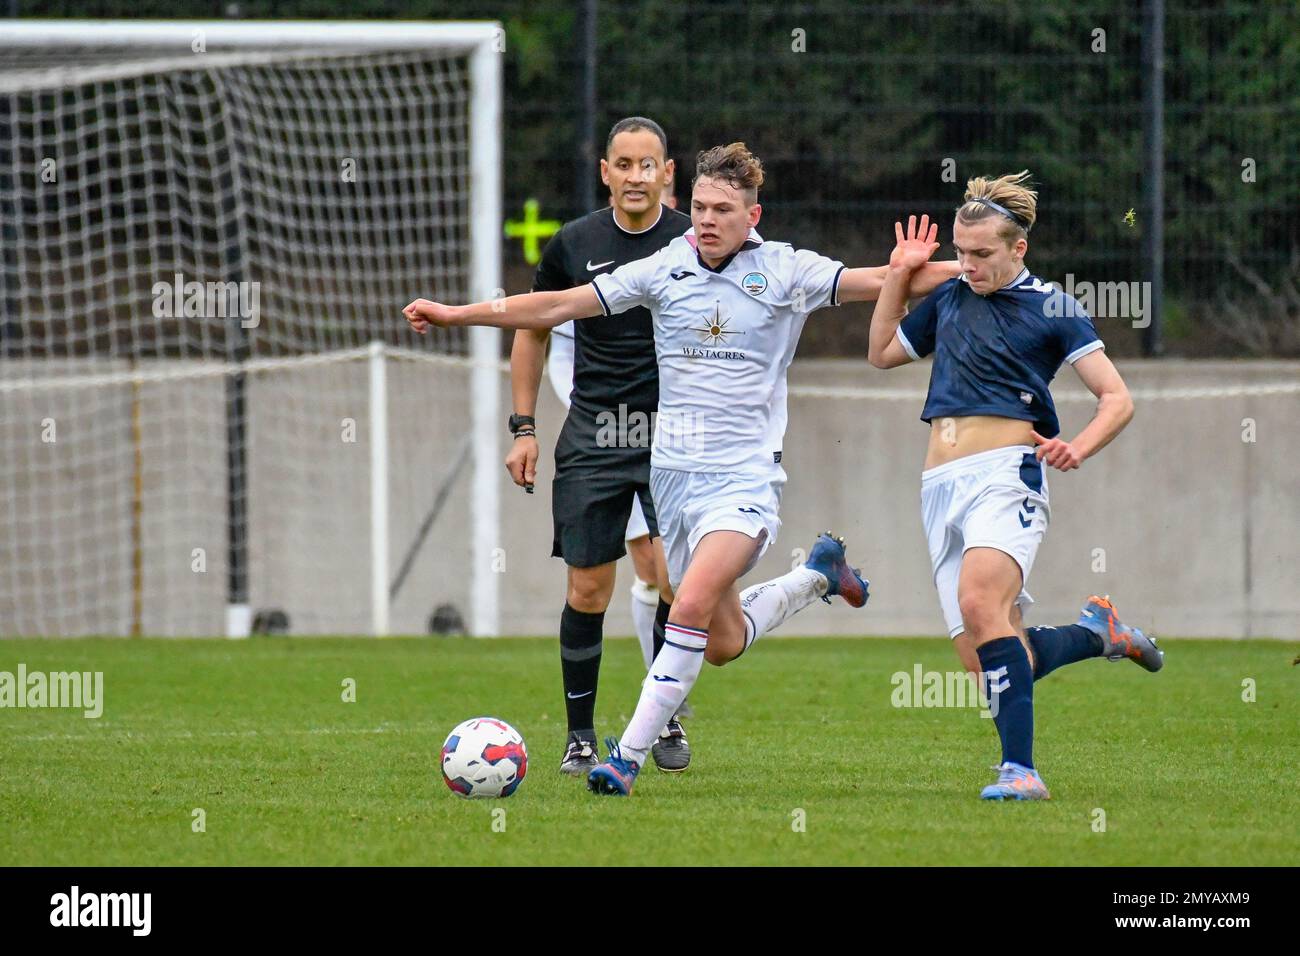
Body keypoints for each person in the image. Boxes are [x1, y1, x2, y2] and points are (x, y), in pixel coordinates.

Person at [405, 142, 959, 796]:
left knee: (686, 604)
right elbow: (555, 307)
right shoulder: (664, 266)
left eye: (723, 209)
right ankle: (816, 574)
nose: (706, 219)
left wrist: (949, 267)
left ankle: (625, 757)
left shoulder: (786, 270)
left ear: (754, 215)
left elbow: (880, 282)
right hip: (674, 486)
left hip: (745, 486)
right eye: (698, 206)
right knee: (720, 640)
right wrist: (457, 314)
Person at [866, 172, 1164, 801]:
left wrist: (1074, 445)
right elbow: (883, 353)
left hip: (1006, 475)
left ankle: (1020, 772)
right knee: (991, 662)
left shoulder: (1053, 307)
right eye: (959, 252)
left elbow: (1116, 398)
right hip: (937, 485)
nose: (966, 266)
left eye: (981, 255)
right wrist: (900, 272)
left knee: (981, 605)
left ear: (1018, 249)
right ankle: (1097, 634)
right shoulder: (950, 296)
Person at [503, 116, 694, 775]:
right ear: (606, 172)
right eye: (624, 163)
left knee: (677, 579)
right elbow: (530, 328)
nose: (636, 175)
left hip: (675, 434)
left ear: (669, 173)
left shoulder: (697, 242)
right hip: (594, 432)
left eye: (649, 164)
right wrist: (523, 427)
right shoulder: (573, 243)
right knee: (588, 589)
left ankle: (661, 719)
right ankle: (580, 737)